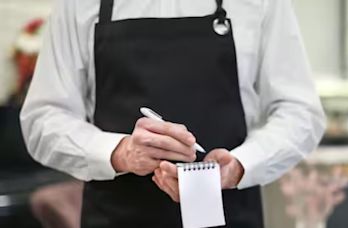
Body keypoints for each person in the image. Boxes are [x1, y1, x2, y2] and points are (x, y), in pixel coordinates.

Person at [20, 0, 326, 227]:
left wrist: (240, 166)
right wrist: (119, 152)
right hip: (115, 216)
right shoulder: (78, 4)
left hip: (230, 214)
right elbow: (43, 119)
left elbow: (300, 112)